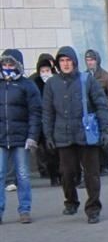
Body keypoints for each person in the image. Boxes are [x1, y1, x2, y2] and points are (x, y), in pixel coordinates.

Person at [42, 46, 108, 224]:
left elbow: (101, 105)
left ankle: (93, 209)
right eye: (62, 61)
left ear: (74, 62)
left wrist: (105, 131)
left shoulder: (87, 80)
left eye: (68, 60)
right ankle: (71, 201)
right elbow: (47, 112)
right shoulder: (52, 83)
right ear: (58, 64)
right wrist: (48, 136)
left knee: (92, 174)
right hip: (63, 135)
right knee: (67, 173)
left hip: (87, 135)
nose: (65, 64)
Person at [0, 49, 42, 224]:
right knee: (0, 174)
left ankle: (25, 210)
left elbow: (35, 112)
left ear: (18, 66)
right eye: (5, 64)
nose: (8, 67)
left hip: (21, 137)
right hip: (1, 137)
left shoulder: (27, 85)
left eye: (11, 64)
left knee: (23, 175)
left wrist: (32, 136)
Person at [84, 49, 108, 176]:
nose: (90, 63)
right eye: (87, 60)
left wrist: (105, 105)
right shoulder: (85, 76)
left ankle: (105, 165)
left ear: (97, 61)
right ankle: (96, 165)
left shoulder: (106, 76)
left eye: (92, 60)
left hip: (102, 113)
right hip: (89, 114)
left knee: (105, 140)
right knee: (92, 139)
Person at [29, 54, 60, 185]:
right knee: (48, 152)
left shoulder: (56, 81)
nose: (45, 73)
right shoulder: (34, 83)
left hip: (57, 121)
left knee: (58, 151)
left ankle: (62, 175)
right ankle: (53, 176)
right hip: (42, 122)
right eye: (42, 71)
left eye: (47, 70)